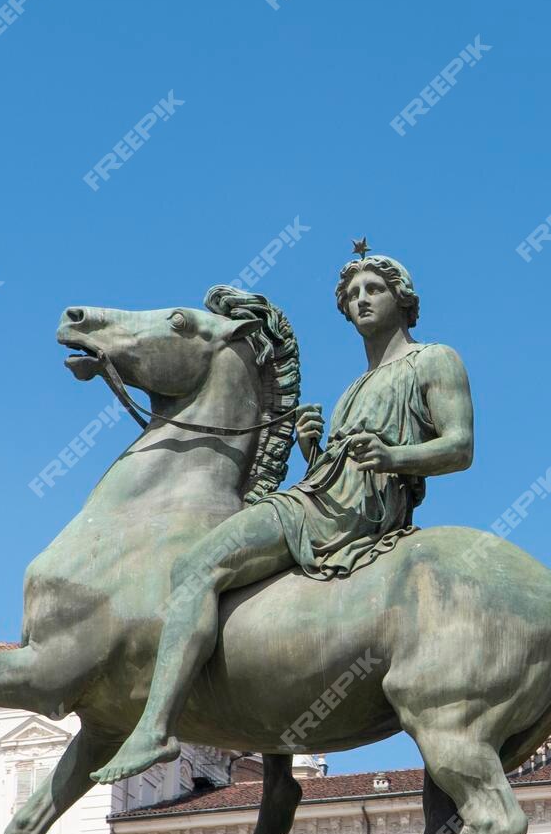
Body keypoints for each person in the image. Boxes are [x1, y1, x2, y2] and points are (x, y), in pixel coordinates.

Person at [91, 246, 475, 783]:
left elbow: (460, 447)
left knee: (199, 565)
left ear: (402, 299)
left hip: (351, 513)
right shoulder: (355, 387)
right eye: (351, 295)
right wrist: (315, 449)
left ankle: (154, 729)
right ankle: (277, 777)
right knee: (263, 614)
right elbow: (345, 466)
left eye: (373, 290)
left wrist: (394, 457)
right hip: (325, 495)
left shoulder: (434, 360)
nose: (361, 300)